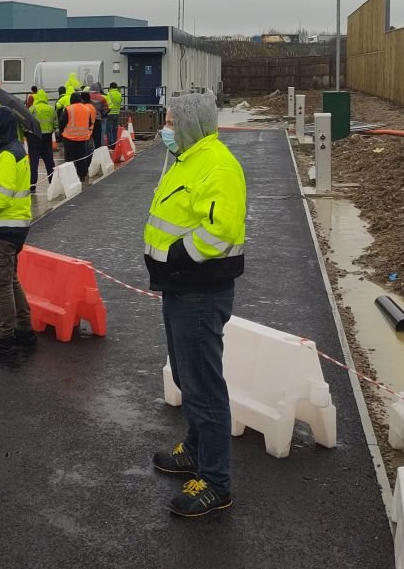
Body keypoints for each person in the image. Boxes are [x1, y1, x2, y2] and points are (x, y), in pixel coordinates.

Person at [145, 92, 247, 518]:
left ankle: (215, 480)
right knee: (188, 377)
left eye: (171, 120)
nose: (166, 127)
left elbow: (219, 232)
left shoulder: (218, 165)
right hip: (180, 288)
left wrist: (175, 258)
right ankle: (195, 448)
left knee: (204, 387)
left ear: (189, 123)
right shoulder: (189, 157)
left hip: (199, 292)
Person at [0, 106, 36, 357]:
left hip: (3, 225)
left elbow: (3, 193)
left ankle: (6, 336)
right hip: (15, 225)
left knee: (1, 284)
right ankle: (24, 330)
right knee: (11, 279)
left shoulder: (8, 155)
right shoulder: (12, 149)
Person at [59, 92, 94, 180]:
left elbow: (62, 121)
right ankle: (82, 175)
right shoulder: (86, 109)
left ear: (71, 100)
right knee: (81, 158)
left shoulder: (68, 109)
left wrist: (61, 132)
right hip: (83, 138)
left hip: (69, 138)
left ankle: (70, 177)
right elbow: (89, 123)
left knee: (69, 159)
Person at [27, 89, 56, 191]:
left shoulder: (32, 109)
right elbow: (55, 125)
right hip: (47, 138)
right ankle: (52, 183)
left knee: (33, 163)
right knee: (49, 162)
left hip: (34, 138)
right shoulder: (51, 109)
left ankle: (32, 185)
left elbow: (26, 124)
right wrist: (50, 130)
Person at [106, 81, 123, 149]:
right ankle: (115, 144)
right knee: (115, 130)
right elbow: (120, 102)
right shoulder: (119, 94)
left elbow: (107, 103)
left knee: (109, 130)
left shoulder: (109, 94)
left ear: (110, 87)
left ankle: (111, 145)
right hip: (117, 113)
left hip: (110, 114)